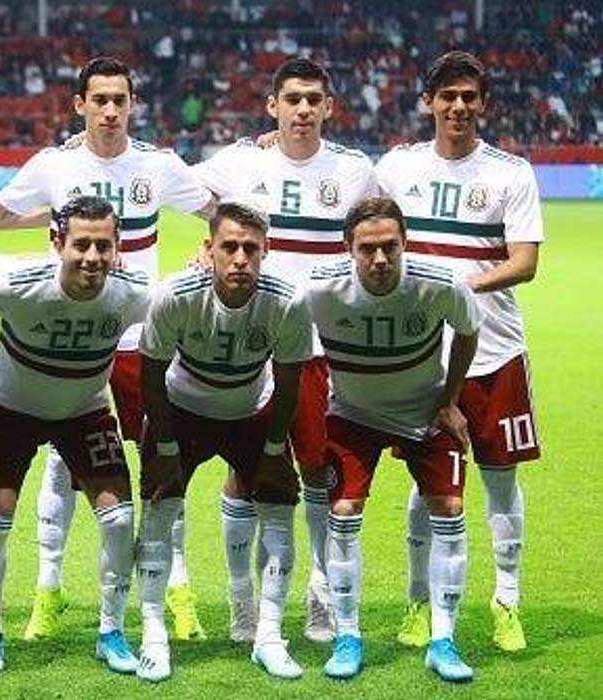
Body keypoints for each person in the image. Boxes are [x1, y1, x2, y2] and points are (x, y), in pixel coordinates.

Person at [0, 55, 215, 643]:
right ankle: (48, 589)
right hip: (65, 334)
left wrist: (214, 248)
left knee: (163, 470)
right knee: (62, 470)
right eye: (101, 100)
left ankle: (177, 589)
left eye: (121, 99)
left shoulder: (160, 165)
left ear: (132, 105)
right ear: (80, 105)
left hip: (139, 337)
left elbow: (220, 211)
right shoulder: (54, 164)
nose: (111, 110)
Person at [189, 57, 379, 643]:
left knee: (318, 473)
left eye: (313, 99)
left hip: (321, 348)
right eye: (291, 98)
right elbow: (171, 182)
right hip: (249, 347)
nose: (302, 109)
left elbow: (380, 233)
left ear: (329, 107)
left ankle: (321, 596)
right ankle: (242, 602)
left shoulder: (355, 170)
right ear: (272, 105)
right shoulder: (241, 161)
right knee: (244, 476)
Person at [378, 50, 543, 654]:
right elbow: (357, 222)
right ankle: (418, 603)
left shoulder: (510, 172)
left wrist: (457, 287)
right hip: (420, 359)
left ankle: (507, 600)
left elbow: (525, 262)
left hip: (494, 354)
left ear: (484, 103)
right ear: (428, 102)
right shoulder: (397, 169)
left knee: (501, 483)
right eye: (447, 95)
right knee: (429, 488)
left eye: (469, 96)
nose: (458, 106)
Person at [0, 196, 148, 675]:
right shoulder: (16, 284)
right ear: (56, 243)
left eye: (103, 246)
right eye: (81, 244)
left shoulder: (131, 293)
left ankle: (111, 631)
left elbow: (182, 304)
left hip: (84, 411)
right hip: (11, 411)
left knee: (118, 520)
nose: (92, 257)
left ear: (118, 247)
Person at [305, 197, 482, 683]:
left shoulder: (440, 284)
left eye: (390, 247)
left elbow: (468, 332)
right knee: (341, 515)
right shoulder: (319, 289)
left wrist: (449, 400)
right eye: (367, 249)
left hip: (424, 414)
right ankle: (347, 637)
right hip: (352, 415)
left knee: (449, 509)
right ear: (348, 248)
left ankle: (443, 640)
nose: (379, 259)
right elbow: (277, 323)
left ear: (404, 244)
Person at [136, 202, 310, 682]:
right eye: (229, 247)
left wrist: (276, 450)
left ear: (266, 252)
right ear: (208, 249)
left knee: (278, 509)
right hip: (180, 411)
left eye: (250, 249)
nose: (239, 259)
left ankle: (269, 638)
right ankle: (153, 634)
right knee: (158, 510)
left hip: (250, 412)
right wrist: (165, 449)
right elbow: (150, 376)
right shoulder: (174, 295)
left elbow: (290, 383)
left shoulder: (288, 301)